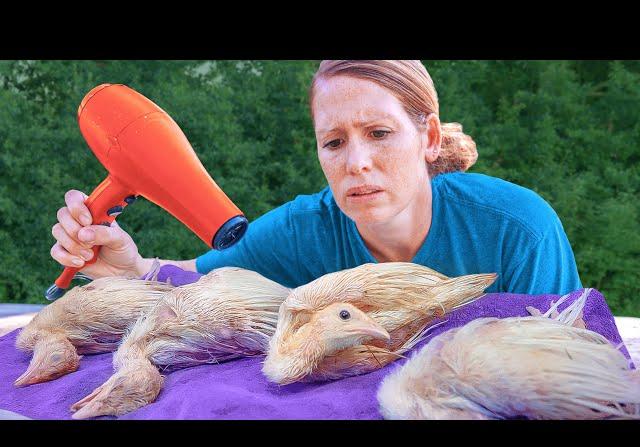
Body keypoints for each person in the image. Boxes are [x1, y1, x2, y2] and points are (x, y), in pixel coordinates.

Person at [49, 60, 582, 294]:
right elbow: (193, 280)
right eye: (334, 142)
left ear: (429, 137)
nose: (356, 163)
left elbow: (568, 362)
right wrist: (124, 267)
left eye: (378, 132)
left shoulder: (518, 228)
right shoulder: (306, 230)